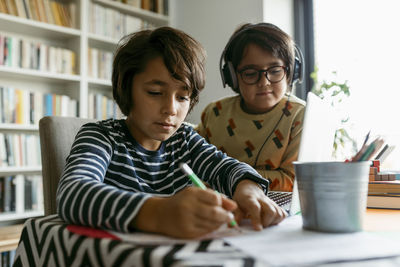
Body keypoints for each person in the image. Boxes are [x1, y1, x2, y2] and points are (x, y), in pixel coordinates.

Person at [56, 26, 286, 239]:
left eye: (183, 97)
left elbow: (226, 167)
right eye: (155, 92)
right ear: (126, 89)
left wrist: (248, 188)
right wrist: (158, 213)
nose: (171, 109)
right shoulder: (101, 137)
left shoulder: (184, 139)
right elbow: (72, 193)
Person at [196, 23, 306, 192]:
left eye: (275, 70)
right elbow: (193, 165)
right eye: (250, 73)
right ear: (232, 77)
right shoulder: (214, 113)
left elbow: (292, 180)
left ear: (291, 72)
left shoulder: (300, 115)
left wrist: (227, 177)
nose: (264, 82)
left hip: (276, 206)